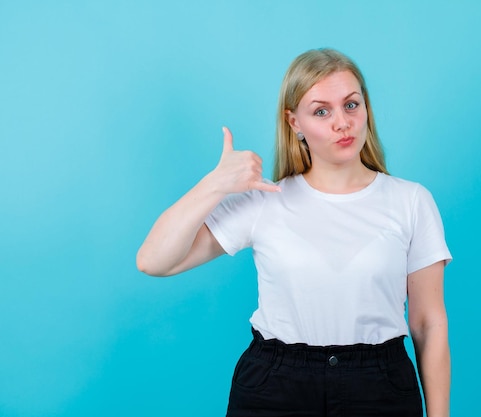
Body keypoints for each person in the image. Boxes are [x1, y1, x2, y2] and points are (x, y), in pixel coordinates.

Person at [137, 48, 452, 417]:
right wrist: (214, 185)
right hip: (276, 388)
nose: (342, 123)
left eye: (351, 105)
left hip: (379, 387)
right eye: (322, 111)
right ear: (294, 122)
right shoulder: (264, 201)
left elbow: (428, 323)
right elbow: (153, 260)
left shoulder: (411, 201)